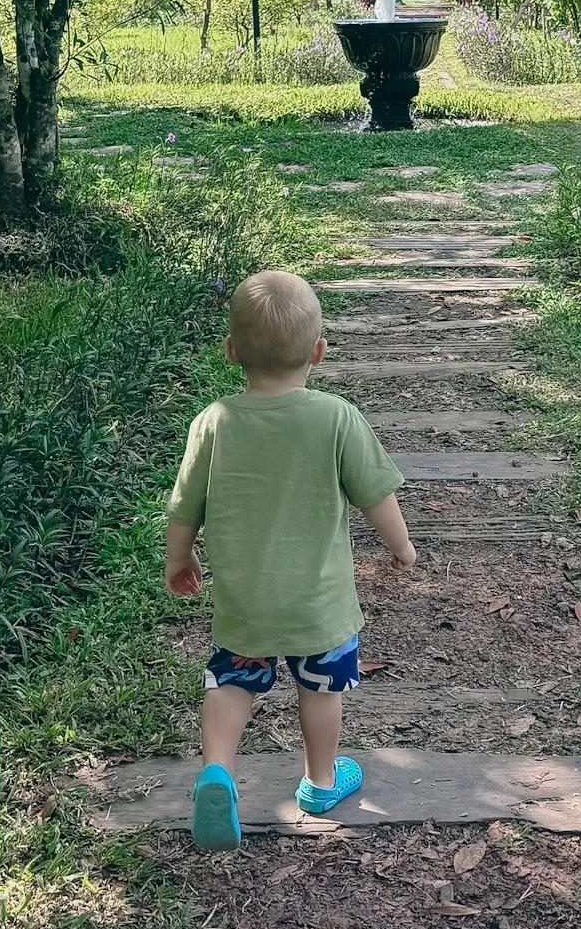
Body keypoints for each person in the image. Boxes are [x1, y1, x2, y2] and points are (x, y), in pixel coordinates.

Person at [164, 268, 416, 852]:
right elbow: (376, 496)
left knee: (232, 682)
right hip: (319, 605)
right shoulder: (337, 417)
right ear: (319, 352)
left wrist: (179, 558)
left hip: (246, 601)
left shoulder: (214, 421)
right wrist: (401, 547)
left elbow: (184, 506)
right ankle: (320, 782)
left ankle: (217, 772)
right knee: (322, 690)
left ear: (231, 351)